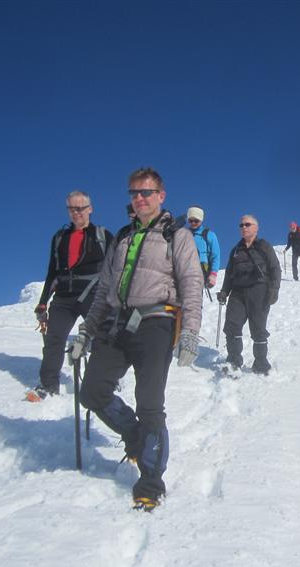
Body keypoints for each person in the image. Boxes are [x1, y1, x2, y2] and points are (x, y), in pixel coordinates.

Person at [71, 167, 203, 512]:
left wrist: (190, 331)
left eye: (146, 192)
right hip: (116, 324)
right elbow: (104, 290)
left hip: (156, 323)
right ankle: (135, 435)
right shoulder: (123, 237)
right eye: (134, 193)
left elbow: (192, 282)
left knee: (149, 404)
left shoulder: (177, 235)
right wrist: (86, 331)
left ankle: (150, 482)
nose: (140, 198)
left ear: (161, 196)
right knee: (92, 391)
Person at [26, 191, 113, 402]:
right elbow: (52, 271)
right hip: (64, 296)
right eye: (72, 209)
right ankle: (48, 386)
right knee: (54, 339)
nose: (76, 213)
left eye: (80, 208)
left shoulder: (103, 236)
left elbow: (116, 268)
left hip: (93, 294)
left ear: (90, 209)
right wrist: (43, 302)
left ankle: (105, 380)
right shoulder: (60, 238)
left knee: (102, 337)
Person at [217, 215, 281, 375]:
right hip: (238, 291)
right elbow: (229, 274)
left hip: (259, 290)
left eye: (247, 224)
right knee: (232, 325)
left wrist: (274, 289)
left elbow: (275, 268)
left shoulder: (264, 246)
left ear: (256, 228)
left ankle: (261, 364)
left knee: (258, 328)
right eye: (241, 225)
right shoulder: (236, 250)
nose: (243, 227)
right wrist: (224, 291)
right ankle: (233, 362)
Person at [185, 205, 221, 291]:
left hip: (200, 273)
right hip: (183, 272)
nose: (193, 223)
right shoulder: (183, 235)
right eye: (190, 221)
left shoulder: (209, 235)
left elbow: (215, 256)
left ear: (201, 220)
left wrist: (213, 274)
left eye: (196, 221)